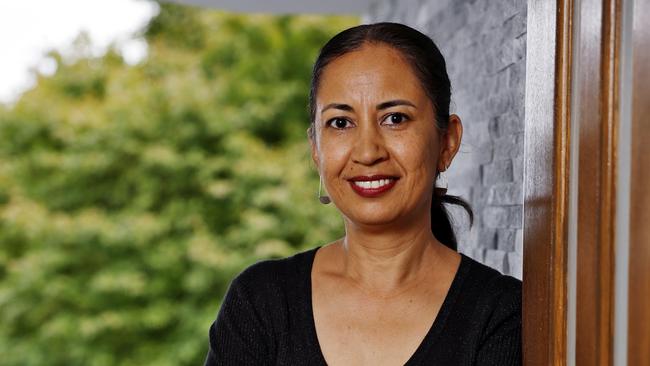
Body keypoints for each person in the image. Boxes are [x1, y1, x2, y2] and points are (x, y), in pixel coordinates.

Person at [204, 22, 521, 365]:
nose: (368, 152)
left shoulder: (502, 314)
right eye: (341, 123)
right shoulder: (260, 302)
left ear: (447, 141)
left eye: (395, 118)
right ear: (316, 148)